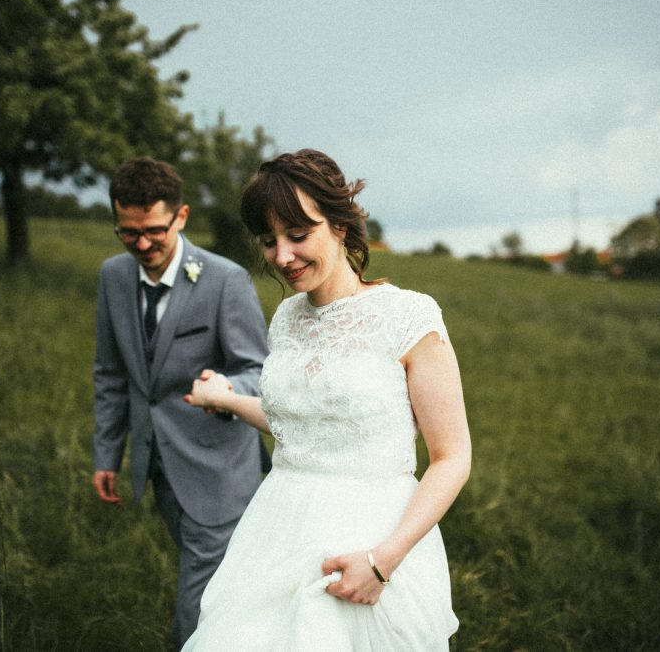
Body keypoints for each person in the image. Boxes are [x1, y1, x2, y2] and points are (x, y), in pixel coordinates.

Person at [181, 149, 472, 650]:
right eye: (269, 241)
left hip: (369, 540)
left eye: (298, 235)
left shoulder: (408, 316)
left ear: (340, 224)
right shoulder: (287, 318)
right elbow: (303, 425)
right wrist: (227, 399)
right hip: (276, 532)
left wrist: (383, 561)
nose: (281, 256)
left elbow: (452, 458)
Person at [91, 157, 269, 648]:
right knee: (226, 592)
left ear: (181, 216)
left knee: (198, 605)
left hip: (219, 470)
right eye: (128, 233)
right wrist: (108, 453)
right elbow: (110, 374)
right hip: (156, 467)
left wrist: (227, 388)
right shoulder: (111, 277)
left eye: (153, 231)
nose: (142, 244)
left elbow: (260, 372)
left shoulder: (226, 280)